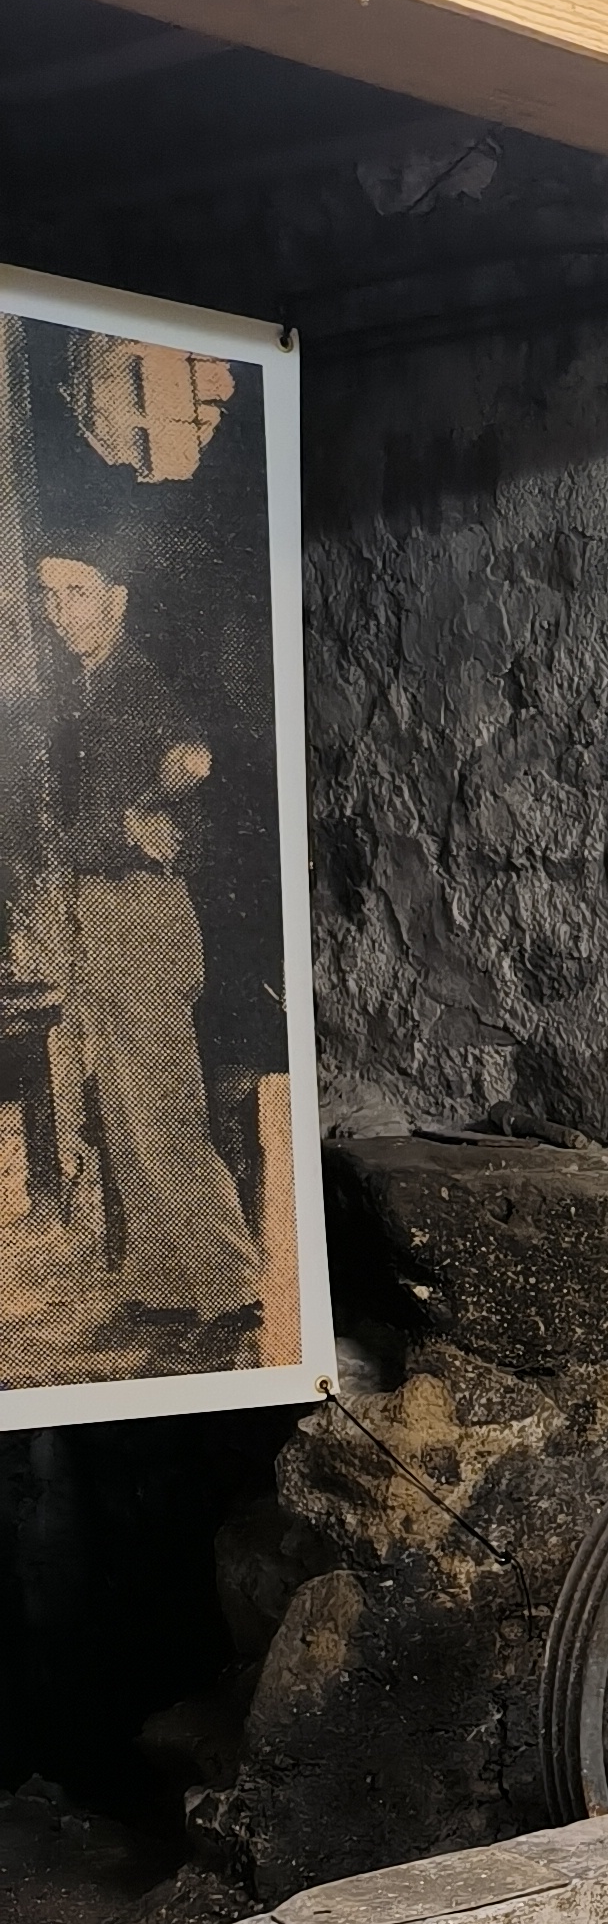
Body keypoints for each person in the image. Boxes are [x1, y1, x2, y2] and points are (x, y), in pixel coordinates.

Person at [16, 540, 262, 1346]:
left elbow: (199, 765)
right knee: (123, 1108)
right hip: (99, 909)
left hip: (142, 916)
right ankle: (165, 1282)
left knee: (163, 1108)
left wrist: (156, 817)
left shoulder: (142, 681)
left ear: (116, 599)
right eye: (51, 596)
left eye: (77, 592)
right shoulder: (85, 689)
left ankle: (231, 1289)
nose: (61, 612)